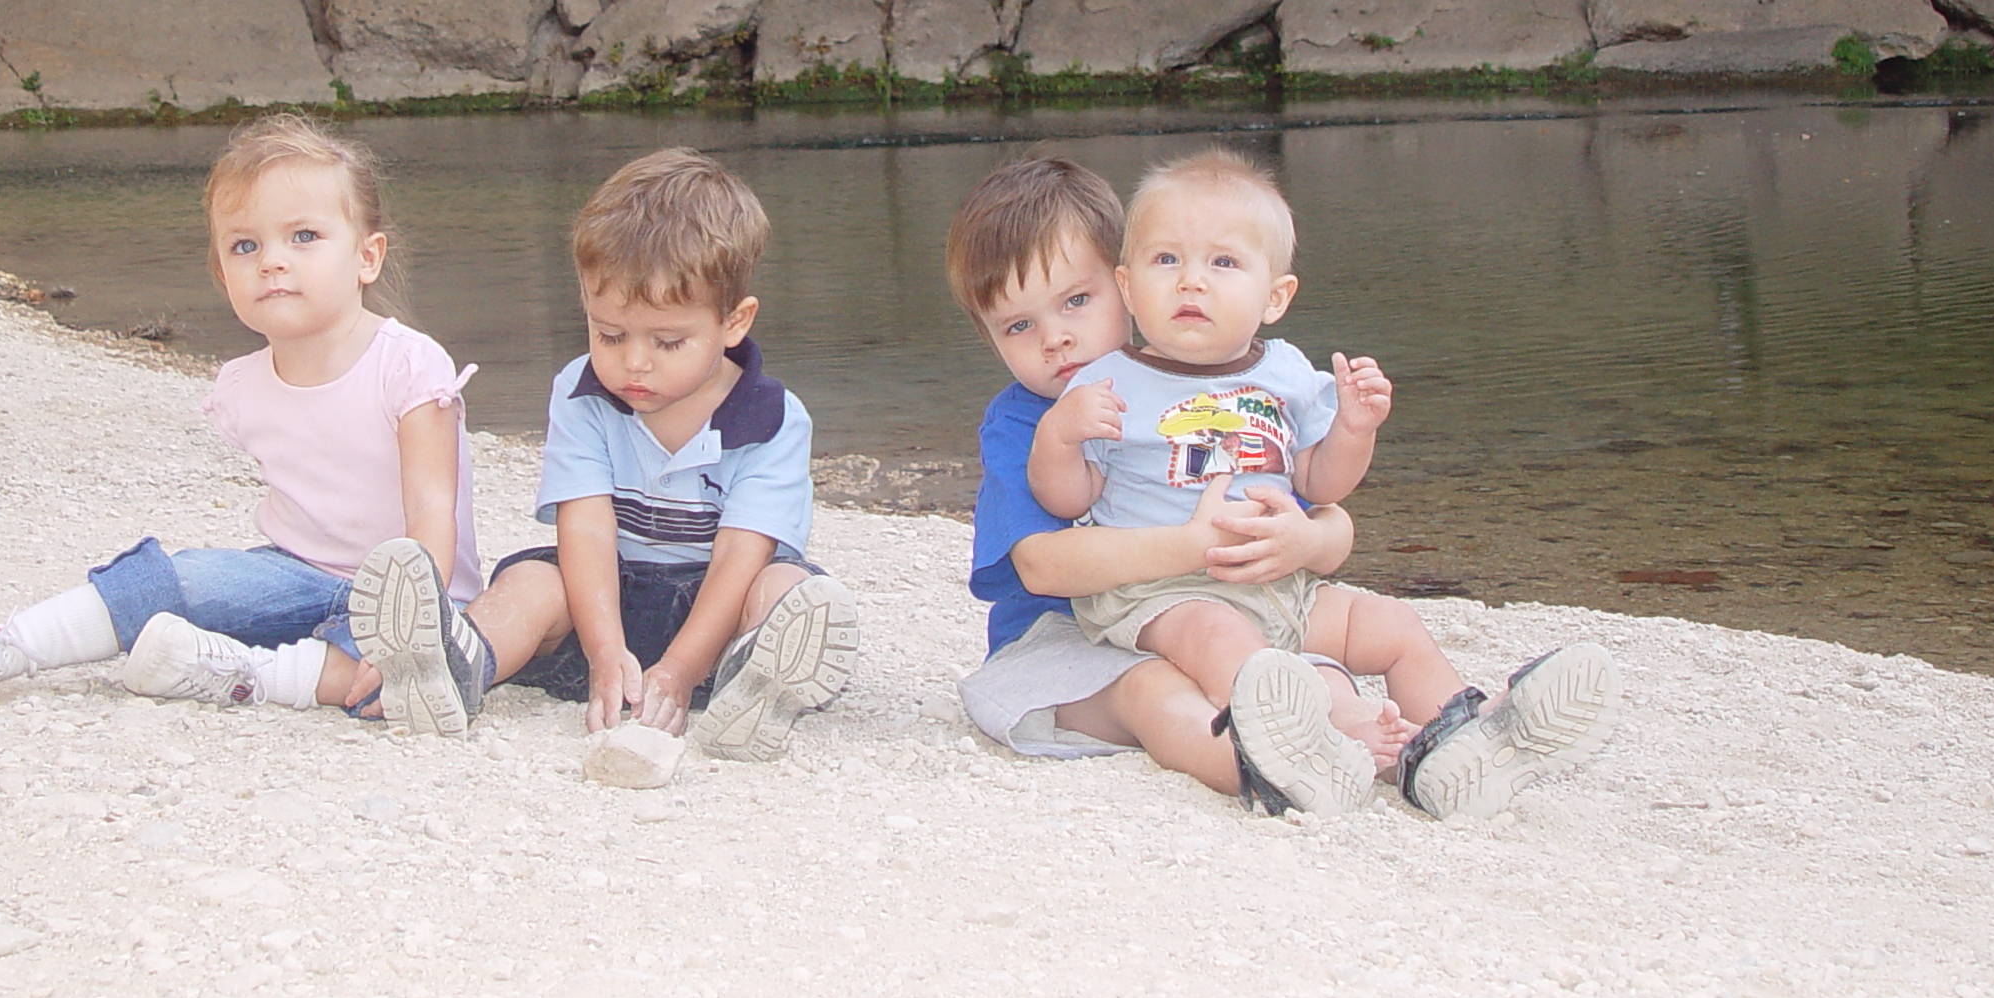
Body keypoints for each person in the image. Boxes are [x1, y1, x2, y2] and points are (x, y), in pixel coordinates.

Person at [961, 150, 1621, 818]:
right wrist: (1071, 445)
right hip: (1087, 637)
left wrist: (1332, 481)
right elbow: (1047, 555)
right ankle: (1276, 761)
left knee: (1353, 646)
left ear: (1121, 285)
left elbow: (1326, 512)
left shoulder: (1257, 379)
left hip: (1267, 600)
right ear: (1140, 282)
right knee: (1173, 687)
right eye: (1019, 326)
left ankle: (1449, 739)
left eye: (1077, 300)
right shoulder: (1066, 408)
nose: (1056, 340)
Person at [0, 114, 480, 725]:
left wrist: (414, 623)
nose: (272, 262)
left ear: (367, 256)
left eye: (304, 236)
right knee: (178, 577)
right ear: (221, 272)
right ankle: (2, 647)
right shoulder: (242, 385)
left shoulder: (408, 365)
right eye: (245, 246)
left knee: (373, 661)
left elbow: (432, 513)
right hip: (291, 571)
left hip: (413, 592)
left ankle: (243, 674)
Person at [351, 147, 858, 763]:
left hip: (716, 615)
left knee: (783, 584)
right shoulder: (580, 392)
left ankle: (754, 684)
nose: (633, 362)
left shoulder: (773, 419)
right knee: (532, 583)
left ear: (734, 322)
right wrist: (604, 650)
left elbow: (737, 556)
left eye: (668, 341)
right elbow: (587, 529)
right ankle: (454, 664)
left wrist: (680, 669)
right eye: (609, 334)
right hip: (602, 599)